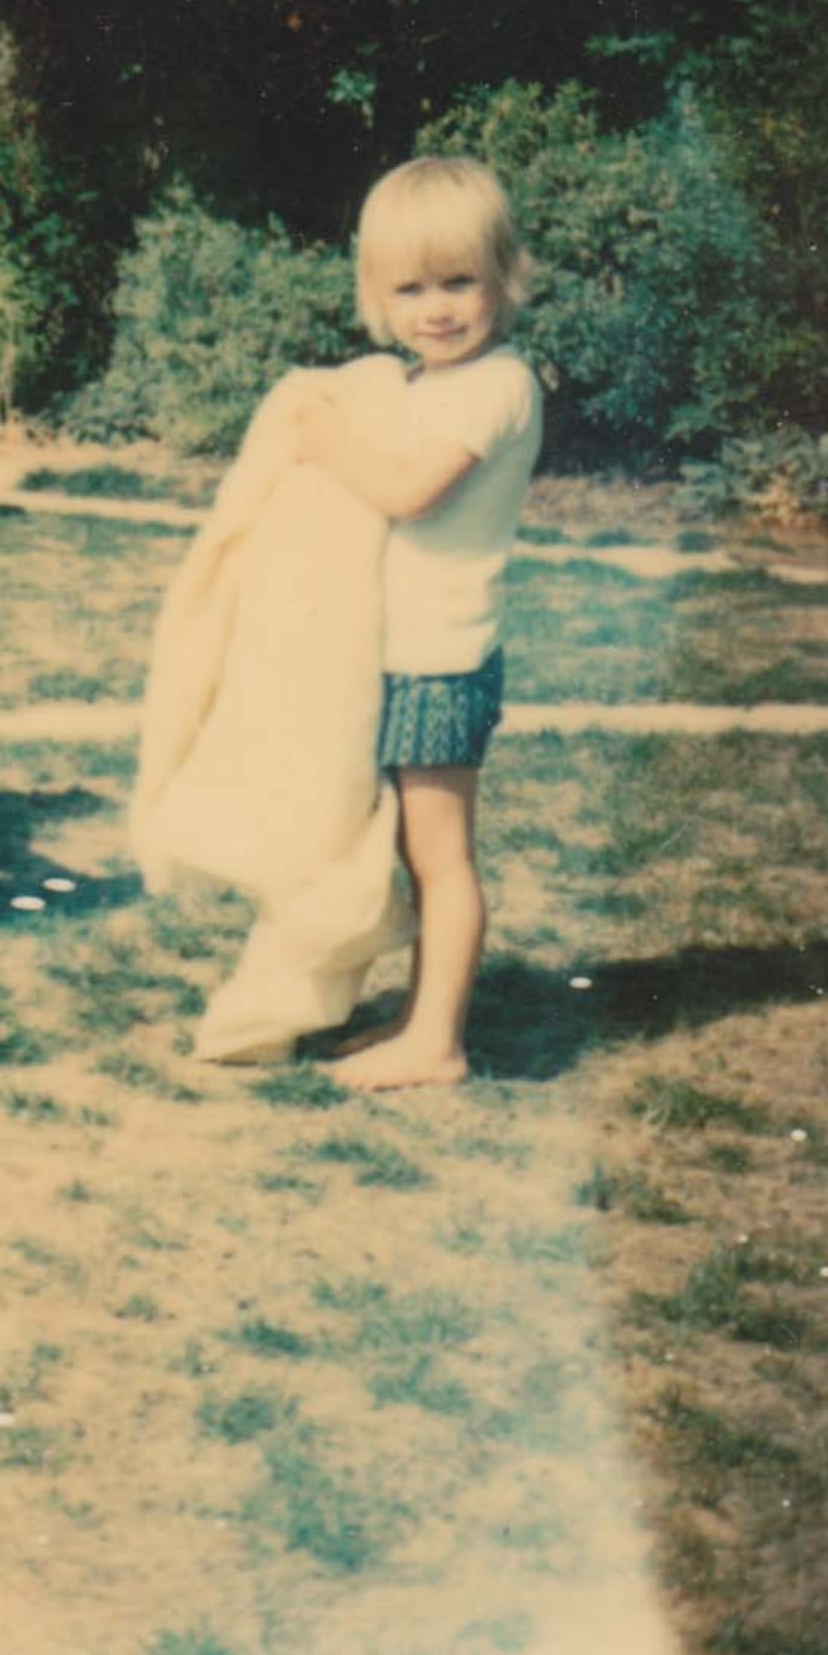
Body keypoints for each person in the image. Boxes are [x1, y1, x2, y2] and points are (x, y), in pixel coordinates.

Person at [284, 156, 546, 1092]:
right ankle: (419, 1013)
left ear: (504, 276)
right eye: (411, 288)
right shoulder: (428, 383)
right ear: (377, 294)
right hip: (397, 654)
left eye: (458, 282)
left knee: (441, 857)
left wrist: (327, 442)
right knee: (408, 851)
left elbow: (407, 491)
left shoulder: (495, 385)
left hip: (440, 656)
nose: (436, 309)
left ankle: (438, 1042)